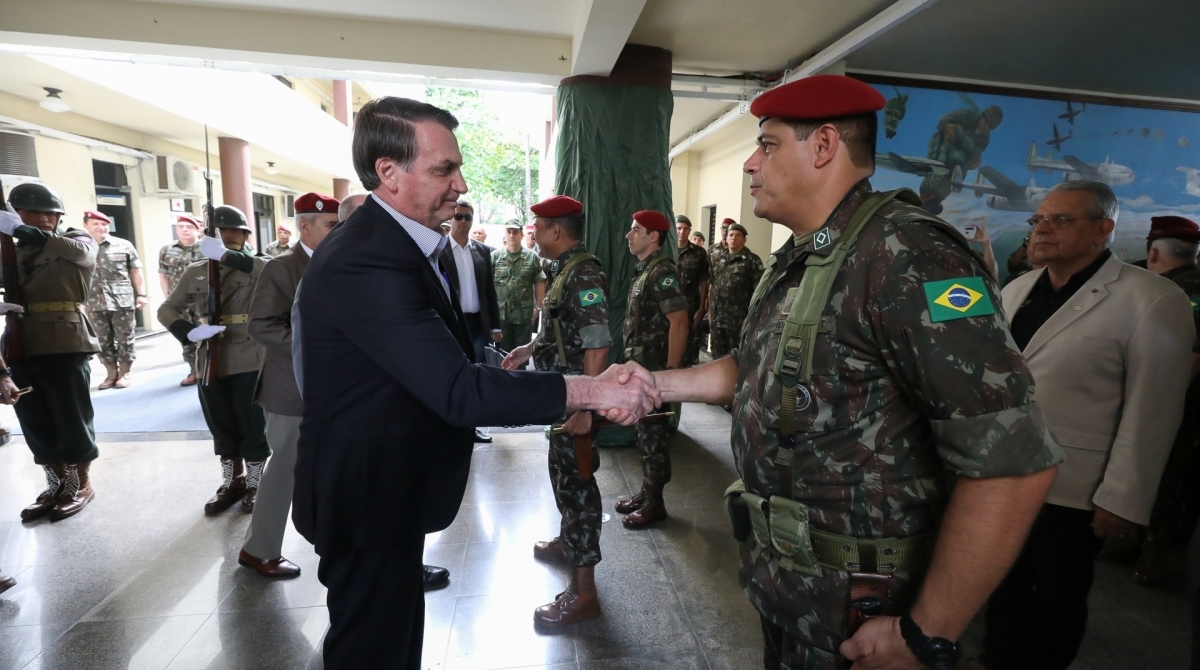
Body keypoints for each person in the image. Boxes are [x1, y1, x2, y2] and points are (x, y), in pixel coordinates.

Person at [615, 74, 1063, 670]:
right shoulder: (807, 255)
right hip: (794, 587)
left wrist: (928, 633)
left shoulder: (910, 256)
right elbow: (757, 368)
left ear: (823, 146)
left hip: (866, 613)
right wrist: (656, 384)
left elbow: (1013, 460)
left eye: (767, 145)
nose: (751, 164)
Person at [293, 97, 653, 670]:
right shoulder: (367, 258)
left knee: (392, 643)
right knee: (370, 651)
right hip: (367, 498)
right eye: (444, 170)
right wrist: (593, 391)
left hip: (387, 491)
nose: (460, 183)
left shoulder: (393, 244)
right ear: (388, 172)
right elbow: (458, 391)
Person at [990, 181, 1194, 670]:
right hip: (1001, 475)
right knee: (1000, 583)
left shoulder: (1151, 298)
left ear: (1104, 228)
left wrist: (1123, 498)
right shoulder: (1017, 290)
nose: (1042, 230)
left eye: (1060, 220)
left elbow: (1154, 410)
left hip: (1076, 487)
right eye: (1037, 220)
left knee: (1056, 596)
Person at [501, 194, 611, 630]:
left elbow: (597, 342)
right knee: (562, 476)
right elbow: (559, 330)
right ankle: (569, 543)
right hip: (559, 395)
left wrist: (585, 407)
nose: (533, 236)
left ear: (557, 231)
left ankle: (584, 592)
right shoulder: (561, 269)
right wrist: (531, 347)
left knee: (579, 487)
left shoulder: (583, 272)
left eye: (539, 229)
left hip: (574, 400)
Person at [239, 192, 338, 579]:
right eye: (330, 225)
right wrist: (312, 348)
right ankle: (258, 549)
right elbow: (261, 324)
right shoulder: (282, 267)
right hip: (289, 389)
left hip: (327, 387)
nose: (336, 232)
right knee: (284, 469)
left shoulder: (334, 263)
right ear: (304, 226)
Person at [158, 205, 269, 516]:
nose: (229, 235)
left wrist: (226, 257)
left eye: (236, 231)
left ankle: (256, 481)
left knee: (253, 423)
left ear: (247, 235)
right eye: (221, 231)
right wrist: (189, 333)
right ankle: (231, 480)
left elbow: (275, 274)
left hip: (250, 353)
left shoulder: (260, 264)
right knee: (221, 422)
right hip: (211, 354)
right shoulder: (195, 271)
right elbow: (167, 310)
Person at [1, 183, 102, 522]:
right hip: (20, 339)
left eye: (50, 213)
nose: (44, 218)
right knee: (34, 419)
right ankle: (55, 482)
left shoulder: (76, 240)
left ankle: (79, 484)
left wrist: (18, 229)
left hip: (64, 338)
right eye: (32, 212)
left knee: (70, 416)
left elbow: (83, 253)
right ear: (14, 212)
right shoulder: (10, 249)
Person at [1134, 215, 1200, 586]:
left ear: (1154, 253)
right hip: (1180, 406)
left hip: (1182, 408)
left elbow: (1193, 354)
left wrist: (1158, 399)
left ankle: (1159, 559)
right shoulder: (1177, 284)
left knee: (1171, 477)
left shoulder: (1181, 290)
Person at [616, 210, 688, 529]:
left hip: (655, 369)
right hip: (642, 367)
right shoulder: (645, 270)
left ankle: (656, 503)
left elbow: (679, 321)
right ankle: (647, 492)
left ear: (653, 236)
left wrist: (670, 372)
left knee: (654, 433)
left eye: (636, 230)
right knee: (645, 432)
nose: (629, 236)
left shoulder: (662, 272)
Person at [440, 199, 502, 443]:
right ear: (451, 219)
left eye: (468, 217)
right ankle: (450, 424)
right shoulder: (439, 249)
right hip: (451, 324)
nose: (463, 221)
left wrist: (495, 325)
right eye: (459, 216)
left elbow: (490, 291)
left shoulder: (482, 251)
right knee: (450, 373)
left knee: (474, 373)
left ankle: (471, 425)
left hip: (477, 324)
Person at [83, 210, 147, 390]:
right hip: (93, 301)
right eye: (95, 224)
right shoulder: (81, 247)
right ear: (86, 226)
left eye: (104, 224)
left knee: (125, 338)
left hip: (122, 300)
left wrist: (141, 294)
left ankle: (125, 373)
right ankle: (111, 373)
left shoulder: (123, 245)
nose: (101, 227)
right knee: (102, 340)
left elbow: (135, 270)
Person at [159, 214, 207, 386]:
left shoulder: (207, 248)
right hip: (180, 300)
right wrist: (168, 299)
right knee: (186, 337)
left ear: (197, 229)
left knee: (206, 335)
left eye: (189, 226)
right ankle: (194, 370)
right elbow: (163, 275)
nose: (185, 230)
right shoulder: (167, 249)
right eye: (181, 226)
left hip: (202, 299)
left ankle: (206, 368)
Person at [708, 222, 763, 359]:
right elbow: (713, 286)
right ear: (726, 239)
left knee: (736, 358)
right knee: (717, 358)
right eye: (731, 235)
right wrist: (710, 311)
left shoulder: (752, 261)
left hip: (738, 320)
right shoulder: (718, 259)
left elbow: (759, 292)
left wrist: (751, 317)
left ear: (744, 240)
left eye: (738, 235)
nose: (733, 238)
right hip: (718, 319)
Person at [492, 219, 546, 351]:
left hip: (523, 315)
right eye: (509, 232)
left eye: (515, 232)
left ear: (521, 235)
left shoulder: (532, 257)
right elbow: (487, 286)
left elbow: (540, 282)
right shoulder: (494, 257)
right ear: (505, 235)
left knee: (521, 354)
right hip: (501, 316)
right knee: (502, 354)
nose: (511, 235)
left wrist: (538, 308)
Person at [675, 214, 710, 367]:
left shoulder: (699, 253)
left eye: (684, 229)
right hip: (665, 306)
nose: (681, 232)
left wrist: (701, 308)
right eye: (678, 228)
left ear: (689, 230)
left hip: (689, 306)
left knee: (688, 351)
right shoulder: (665, 249)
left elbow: (703, 281)